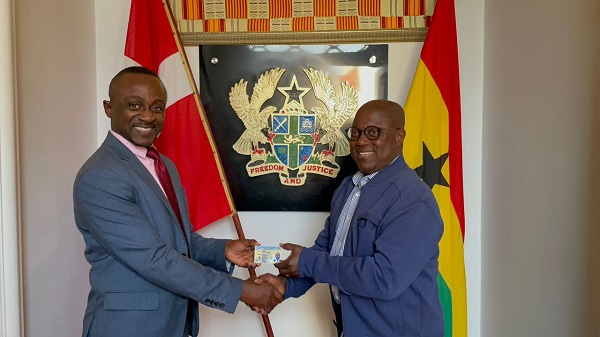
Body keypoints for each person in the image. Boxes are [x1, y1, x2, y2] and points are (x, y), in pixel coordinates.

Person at [73, 66, 282, 337]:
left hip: (175, 324)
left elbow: (177, 240)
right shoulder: (100, 176)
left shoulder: (164, 165)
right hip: (128, 328)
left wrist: (223, 251)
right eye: (134, 105)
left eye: (157, 107)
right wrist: (241, 291)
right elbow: (153, 258)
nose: (147, 116)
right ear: (109, 108)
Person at [257, 99, 445, 337]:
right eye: (355, 132)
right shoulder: (349, 187)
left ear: (399, 136)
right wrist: (286, 286)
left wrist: (306, 262)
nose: (361, 141)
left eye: (373, 132)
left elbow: (384, 278)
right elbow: (328, 250)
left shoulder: (413, 200)